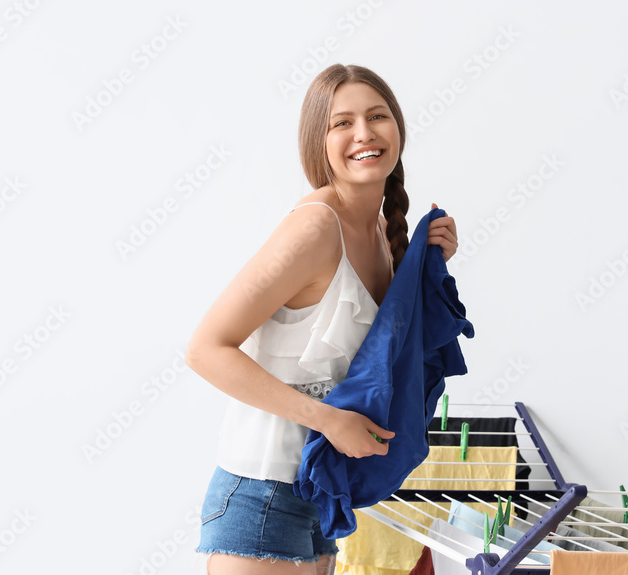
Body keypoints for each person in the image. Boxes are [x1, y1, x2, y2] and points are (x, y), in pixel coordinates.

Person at [185, 63, 459, 575]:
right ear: (318, 140)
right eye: (342, 123)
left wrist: (430, 266)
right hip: (260, 490)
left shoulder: (381, 231)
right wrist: (329, 420)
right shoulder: (314, 228)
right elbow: (205, 349)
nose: (364, 133)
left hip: (320, 490)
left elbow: (381, 355)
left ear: (397, 128)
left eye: (378, 116)